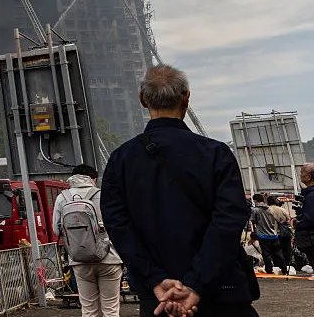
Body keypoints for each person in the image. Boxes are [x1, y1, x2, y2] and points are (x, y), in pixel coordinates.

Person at [101, 65, 256, 317]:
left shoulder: (121, 160)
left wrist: (155, 279)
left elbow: (118, 226)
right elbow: (228, 222)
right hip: (221, 293)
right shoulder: (215, 154)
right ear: (186, 97)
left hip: (158, 301)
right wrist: (196, 283)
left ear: (142, 99)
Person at [52, 164, 123, 317]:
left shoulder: (62, 198)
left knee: (89, 309)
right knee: (110, 309)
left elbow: (56, 230)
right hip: (109, 258)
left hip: (79, 259)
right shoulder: (104, 195)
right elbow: (118, 225)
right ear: (94, 179)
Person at [250, 193, 287, 274]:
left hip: (263, 235)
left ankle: (269, 270)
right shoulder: (270, 209)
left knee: (266, 254)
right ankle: (284, 269)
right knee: (278, 253)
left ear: (255, 201)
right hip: (274, 234)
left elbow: (253, 221)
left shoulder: (255, 210)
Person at [295, 163, 314, 276]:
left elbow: (310, 219)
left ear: (309, 176)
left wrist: (297, 223)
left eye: (302, 172)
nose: (300, 174)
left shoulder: (311, 196)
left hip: (311, 238)